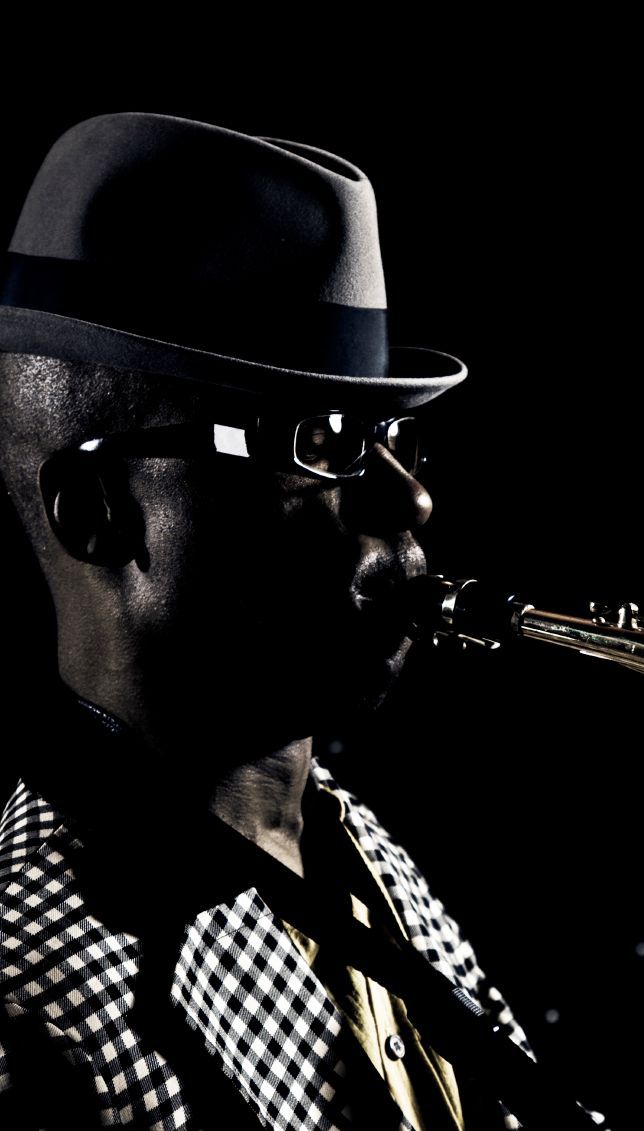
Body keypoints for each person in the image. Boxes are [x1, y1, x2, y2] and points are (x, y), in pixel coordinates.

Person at [0, 111, 561, 1131]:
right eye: (318, 436)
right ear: (99, 511)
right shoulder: (34, 1010)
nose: (411, 497)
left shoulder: (350, 843)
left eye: (389, 434)